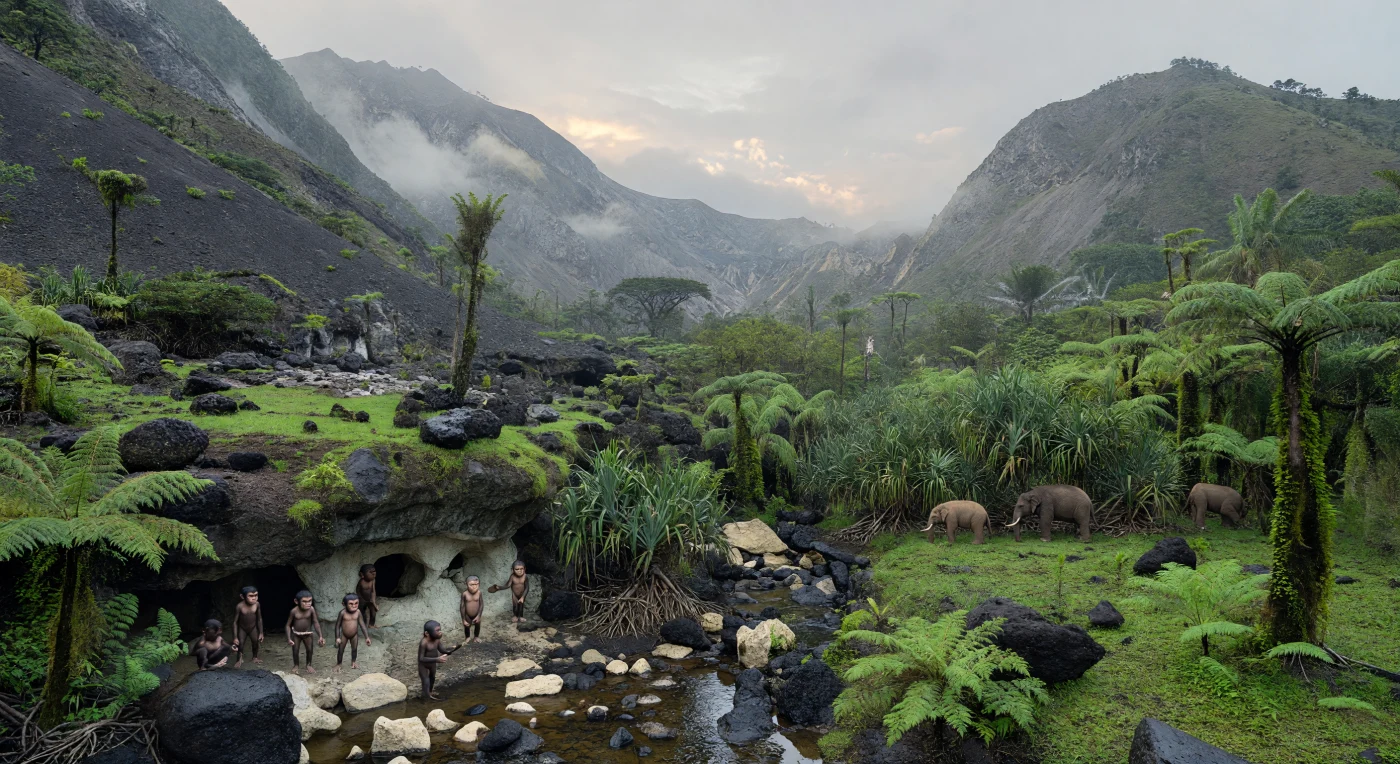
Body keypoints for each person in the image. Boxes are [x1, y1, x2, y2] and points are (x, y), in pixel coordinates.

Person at [417, 620, 459, 700]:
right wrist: (437, 659)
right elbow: (421, 658)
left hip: (432, 663)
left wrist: (451, 651)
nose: (440, 632)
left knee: (432, 678)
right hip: (424, 665)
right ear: (427, 633)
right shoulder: (424, 642)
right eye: (437, 630)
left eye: (440, 630)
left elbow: (442, 650)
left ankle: (430, 693)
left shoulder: (437, 640)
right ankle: (425, 698)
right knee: (426, 681)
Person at [285, 590, 325, 674]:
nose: (308, 603)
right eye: (304, 601)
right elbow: (288, 625)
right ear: (296, 601)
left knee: (310, 650)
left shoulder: (311, 609)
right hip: (296, 634)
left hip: (308, 634)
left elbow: (315, 622)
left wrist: (320, 636)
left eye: (310, 601)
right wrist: (289, 638)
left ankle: (309, 664)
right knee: (295, 650)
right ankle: (296, 665)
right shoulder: (294, 611)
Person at [334, 593, 371, 672]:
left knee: (354, 649)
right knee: (341, 650)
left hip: (354, 635)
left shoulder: (358, 612)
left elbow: (362, 625)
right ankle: (339, 663)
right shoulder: (342, 613)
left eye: (356, 603)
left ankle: (353, 662)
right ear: (344, 604)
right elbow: (337, 626)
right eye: (351, 604)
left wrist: (367, 637)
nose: (354, 606)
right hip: (344, 635)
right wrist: (337, 637)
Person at [488, 560, 529, 626]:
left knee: (521, 605)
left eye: (521, 569)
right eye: (517, 569)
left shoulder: (525, 576)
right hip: (515, 594)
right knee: (515, 606)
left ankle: (521, 616)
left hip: (522, 594)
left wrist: (523, 597)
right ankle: (515, 616)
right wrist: (499, 587)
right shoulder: (512, 577)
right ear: (512, 570)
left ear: (525, 569)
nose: (519, 571)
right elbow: (507, 585)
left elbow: (527, 588)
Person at [232, 586, 263, 668]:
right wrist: (235, 637)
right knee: (240, 644)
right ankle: (239, 659)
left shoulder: (257, 604)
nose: (254, 598)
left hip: (253, 628)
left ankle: (255, 657)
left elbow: (259, 619)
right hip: (242, 628)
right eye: (251, 596)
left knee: (255, 642)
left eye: (256, 595)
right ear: (242, 597)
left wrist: (261, 632)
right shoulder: (239, 606)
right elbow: (235, 622)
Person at [459, 576, 483, 643]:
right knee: (467, 625)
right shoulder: (464, 594)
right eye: (471, 585)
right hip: (467, 614)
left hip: (477, 613)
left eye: (476, 584)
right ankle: (467, 637)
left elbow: (481, 604)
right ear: (466, 584)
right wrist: (463, 619)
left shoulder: (479, 593)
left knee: (477, 624)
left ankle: (476, 637)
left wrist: (479, 615)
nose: (474, 587)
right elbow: (462, 606)